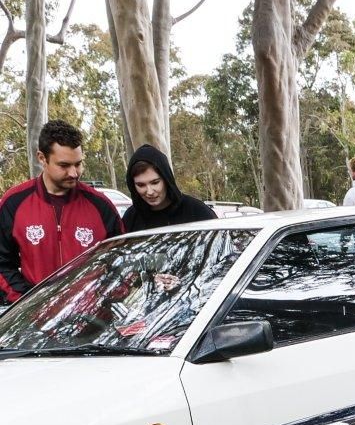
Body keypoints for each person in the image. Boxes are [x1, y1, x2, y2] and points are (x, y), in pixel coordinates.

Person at [0, 118, 122, 304]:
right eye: (64, 165)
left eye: (78, 164)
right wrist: (27, 302)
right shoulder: (14, 203)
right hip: (35, 322)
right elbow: (2, 263)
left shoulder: (101, 206)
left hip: (94, 322)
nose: (74, 173)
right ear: (42, 158)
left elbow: (120, 260)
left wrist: (103, 299)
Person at [122, 144, 216, 232]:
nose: (149, 192)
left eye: (155, 183)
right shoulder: (131, 218)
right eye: (141, 185)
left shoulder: (198, 212)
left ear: (166, 179)